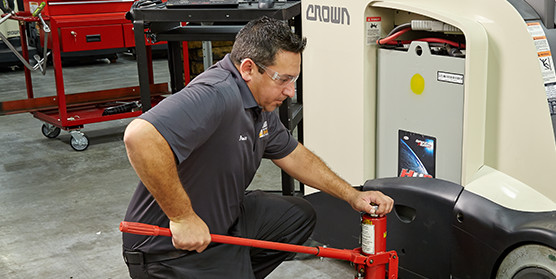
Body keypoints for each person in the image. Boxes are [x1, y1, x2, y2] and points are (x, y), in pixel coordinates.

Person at [122, 16, 394, 279]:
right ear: (248, 69)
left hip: (221, 224)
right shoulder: (217, 93)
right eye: (282, 79)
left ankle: (230, 266)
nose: (290, 91)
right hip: (168, 250)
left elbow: (294, 155)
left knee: (298, 216)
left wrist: (352, 195)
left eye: (293, 80)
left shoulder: (258, 104)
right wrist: (182, 217)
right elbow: (140, 136)